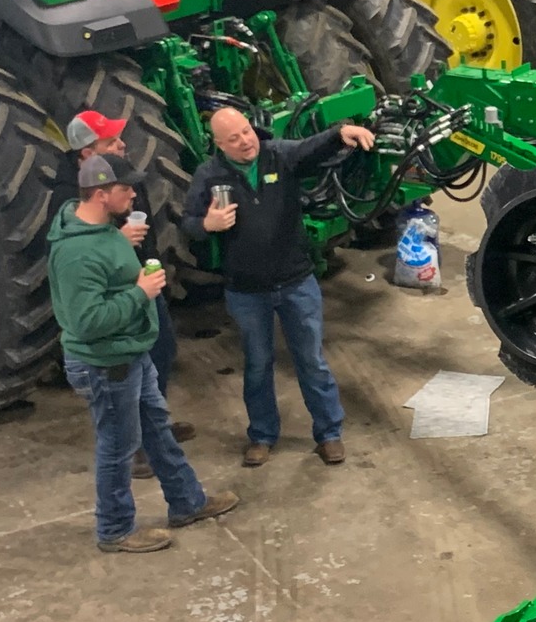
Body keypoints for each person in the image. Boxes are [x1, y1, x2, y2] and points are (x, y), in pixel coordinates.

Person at [49, 153, 238, 553]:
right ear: (101, 195)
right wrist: (140, 293)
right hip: (106, 363)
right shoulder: (76, 254)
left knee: (157, 428)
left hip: (131, 353)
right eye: (125, 189)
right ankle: (114, 529)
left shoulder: (103, 231)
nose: (134, 194)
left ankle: (187, 501)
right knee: (118, 448)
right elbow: (86, 322)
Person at [182, 108, 376, 467]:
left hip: (295, 282)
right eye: (234, 138)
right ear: (219, 144)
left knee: (312, 361)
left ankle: (329, 433)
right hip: (246, 290)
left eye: (246, 131)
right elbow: (188, 224)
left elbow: (309, 147)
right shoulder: (209, 176)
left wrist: (339, 132)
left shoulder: (278, 156)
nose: (245, 141)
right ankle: (262, 435)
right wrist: (206, 223)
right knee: (257, 365)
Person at [63, 110, 195, 476]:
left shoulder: (122, 176)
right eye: (111, 141)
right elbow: (76, 256)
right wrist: (116, 242)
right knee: (131, 369)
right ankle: (135, 447)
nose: (123, 144)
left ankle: (155, 428)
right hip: (118, 297)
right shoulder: (75, 197)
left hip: (144, 282)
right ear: (88, 154)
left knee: (162, 351)